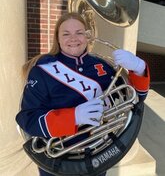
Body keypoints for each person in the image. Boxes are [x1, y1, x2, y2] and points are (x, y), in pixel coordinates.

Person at [16, 12, 150, 176]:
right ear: (58, 39)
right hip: (58, 162)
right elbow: (27, 119)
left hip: (97, 155)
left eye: (79, 32)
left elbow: (134, 99)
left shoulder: (103, 66)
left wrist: (139, 69)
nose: (73, 38)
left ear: (87, 36)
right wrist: (73, 117)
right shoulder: (42, 71)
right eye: (66, 34)